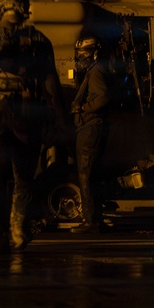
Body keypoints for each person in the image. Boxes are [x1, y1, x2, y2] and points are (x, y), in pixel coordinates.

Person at [0, 0, 68, 253]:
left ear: (0, 8)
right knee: (23, 178)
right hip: (27, 117)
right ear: (24, 8)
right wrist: (60, 118)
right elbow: (51, 81)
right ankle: (19, 230)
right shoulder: (39, 40)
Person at [69, 36, 111, 233]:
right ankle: (95, 219)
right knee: (91, 175)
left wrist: (83, 108)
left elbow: (102, 97)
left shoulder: (96, 72)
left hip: (90, 128)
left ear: (94, 52)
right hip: (91, 127)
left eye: (84, 53)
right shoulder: (92, 71)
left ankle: (90, 221)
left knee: (85, 175)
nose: (80, 57)